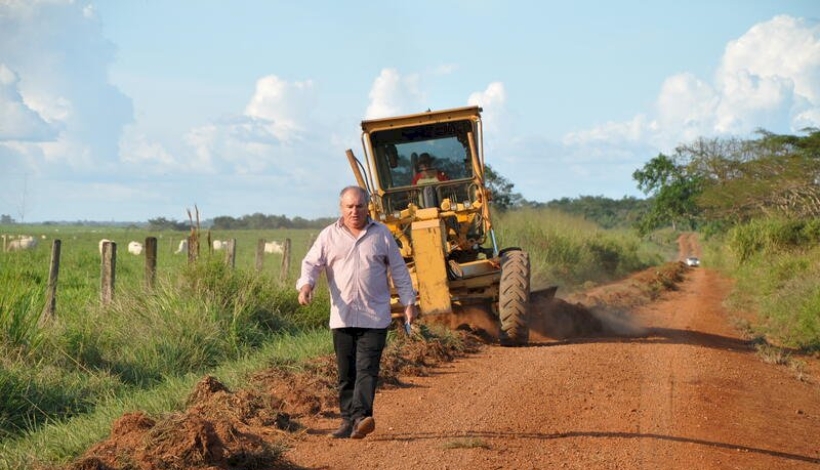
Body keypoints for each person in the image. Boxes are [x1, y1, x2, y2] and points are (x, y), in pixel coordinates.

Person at [296, 185, 418, 439]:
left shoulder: (382, 234)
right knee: (345, 373)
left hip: (375, 317)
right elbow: (311, 263)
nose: (354, 211)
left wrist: (409, 303)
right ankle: (347, 421)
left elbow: (399, 271)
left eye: (359, 206)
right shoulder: (329, 235)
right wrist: (306, 286)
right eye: (349, 206)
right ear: (341, 208)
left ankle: (362, 417)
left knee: (366, 369)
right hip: (342, 317)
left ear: (367, 207)